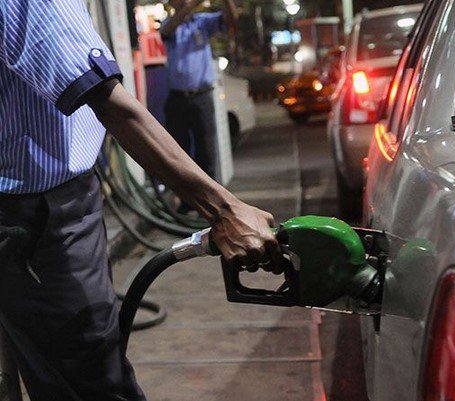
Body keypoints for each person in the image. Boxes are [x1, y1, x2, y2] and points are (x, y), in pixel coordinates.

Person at [0, 1, 279, 400]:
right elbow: (110, 104)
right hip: (37, 218)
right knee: (90, 381)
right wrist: (224, 210)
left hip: (46, 205)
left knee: (54, 366)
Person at [160, 0, 236, 184]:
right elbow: (167, 31)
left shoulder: (202, 21)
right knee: (178, 152)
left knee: (206, 150)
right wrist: (190, 6)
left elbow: (231, 21)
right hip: (177, 97)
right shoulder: (169, 22)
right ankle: (186, 199)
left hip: (202, 96)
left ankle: (211, 200)